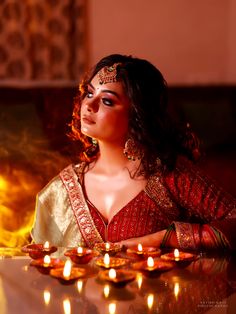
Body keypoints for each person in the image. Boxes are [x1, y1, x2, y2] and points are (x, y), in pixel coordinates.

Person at [31, 54, 236, 251]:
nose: (89, 105)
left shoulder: (168, 174)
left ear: (136, 115)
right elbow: (39, 266)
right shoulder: (60, 191)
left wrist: (165, 238)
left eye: (107, 101)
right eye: (90, 93)